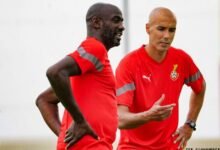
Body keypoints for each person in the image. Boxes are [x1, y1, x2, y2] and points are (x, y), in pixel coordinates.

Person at [36, 3, 124, 150]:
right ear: (96, 22)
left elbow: (44, 100)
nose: (122, 27)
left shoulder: (85, 69)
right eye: (116, 20)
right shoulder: (95, 48)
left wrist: (65, 136)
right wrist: (80, 121)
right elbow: (55, 72)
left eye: (122, 21)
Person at [115, 7, 206, 150]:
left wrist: (190, 124)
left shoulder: (181, 59)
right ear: (148, 28)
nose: (167, 36)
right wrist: (149, 115)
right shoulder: (129, 64)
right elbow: (120, 119)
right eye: (161, 29)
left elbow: (200, 88)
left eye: (172, 30)